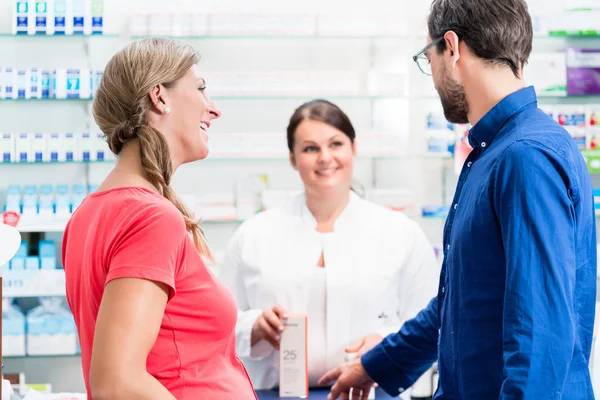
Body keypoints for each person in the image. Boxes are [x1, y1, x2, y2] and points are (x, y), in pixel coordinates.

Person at [319, 0, 597, 399]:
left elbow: (541, 337)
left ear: (452, 48)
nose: (431, 77)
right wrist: (374, 364)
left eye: (426, 58)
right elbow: (460, 302)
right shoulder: (495, 152)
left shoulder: (525, 156)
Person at [62, 38, 257, 400]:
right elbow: (117, 382)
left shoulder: (89, 214)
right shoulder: (151, 216)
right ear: (160, 97)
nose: (213, 110)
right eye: (200, 89)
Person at [219, 99, 440, 396]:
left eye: (336, 144)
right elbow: (219, 323)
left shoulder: (400, 233)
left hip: (373, 393)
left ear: (354, 148)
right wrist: (254, 326)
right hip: (273, 393)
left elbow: (429, 320)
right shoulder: (253, 235)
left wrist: (386, 343)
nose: (325, 157)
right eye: (310, 148)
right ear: (292, 158)